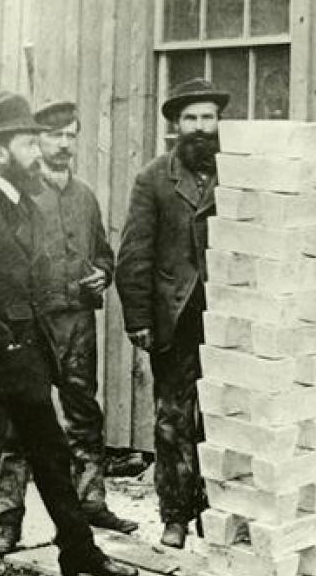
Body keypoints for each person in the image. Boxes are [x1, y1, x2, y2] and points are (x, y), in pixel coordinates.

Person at [0, 91, 136, 576]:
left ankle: (80, 554)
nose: (37, 154)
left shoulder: (21, 205)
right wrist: (4, 339)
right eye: (30, 144)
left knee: (52, 461)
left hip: (26, 365)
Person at [0, 101, 138, 556]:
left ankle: (90, 501)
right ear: (37, 141)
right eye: (55, 135)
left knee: (83, 416)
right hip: (32, 325)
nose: (64, 144)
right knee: (21, 423)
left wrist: (102, 273)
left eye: (72, 135)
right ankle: (8, 520)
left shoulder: (85, 196)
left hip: (77, 322)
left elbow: (102, 251)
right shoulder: (19, 196)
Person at [115, 78, 227, 549]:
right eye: (192, 118)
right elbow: (133, 256)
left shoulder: (237, 171)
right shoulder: (154, 178)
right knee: (174, 418)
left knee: (225, 416)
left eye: (208, 117)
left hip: (226, 313)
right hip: (175, 316)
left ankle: (223, 513)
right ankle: (176, 514)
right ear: (176, 125)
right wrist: (138, 319)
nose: (201, 127)